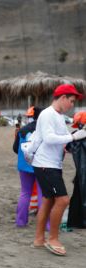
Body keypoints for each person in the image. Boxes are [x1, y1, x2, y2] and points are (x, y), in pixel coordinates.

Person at [30, 84, 86, 256]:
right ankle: (53, 238)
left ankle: (39, 239)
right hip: (46, 165)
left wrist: (68, 145)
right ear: (62, 98)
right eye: (71, 101)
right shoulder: (48, 114)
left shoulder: (58, 116)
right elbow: (49, 138)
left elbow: (59, 141)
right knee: (62, 200)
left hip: (50, 164)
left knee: (48, 201)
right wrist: (75, 135)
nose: (72, 105)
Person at [12, 107, 47, 228]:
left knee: (25, 193)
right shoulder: (45, 129)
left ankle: (21, 221)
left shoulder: (22, 130)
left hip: (24, 165)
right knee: (43, 194)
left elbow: (16, 149)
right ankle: (45, 225)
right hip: (41, 165)